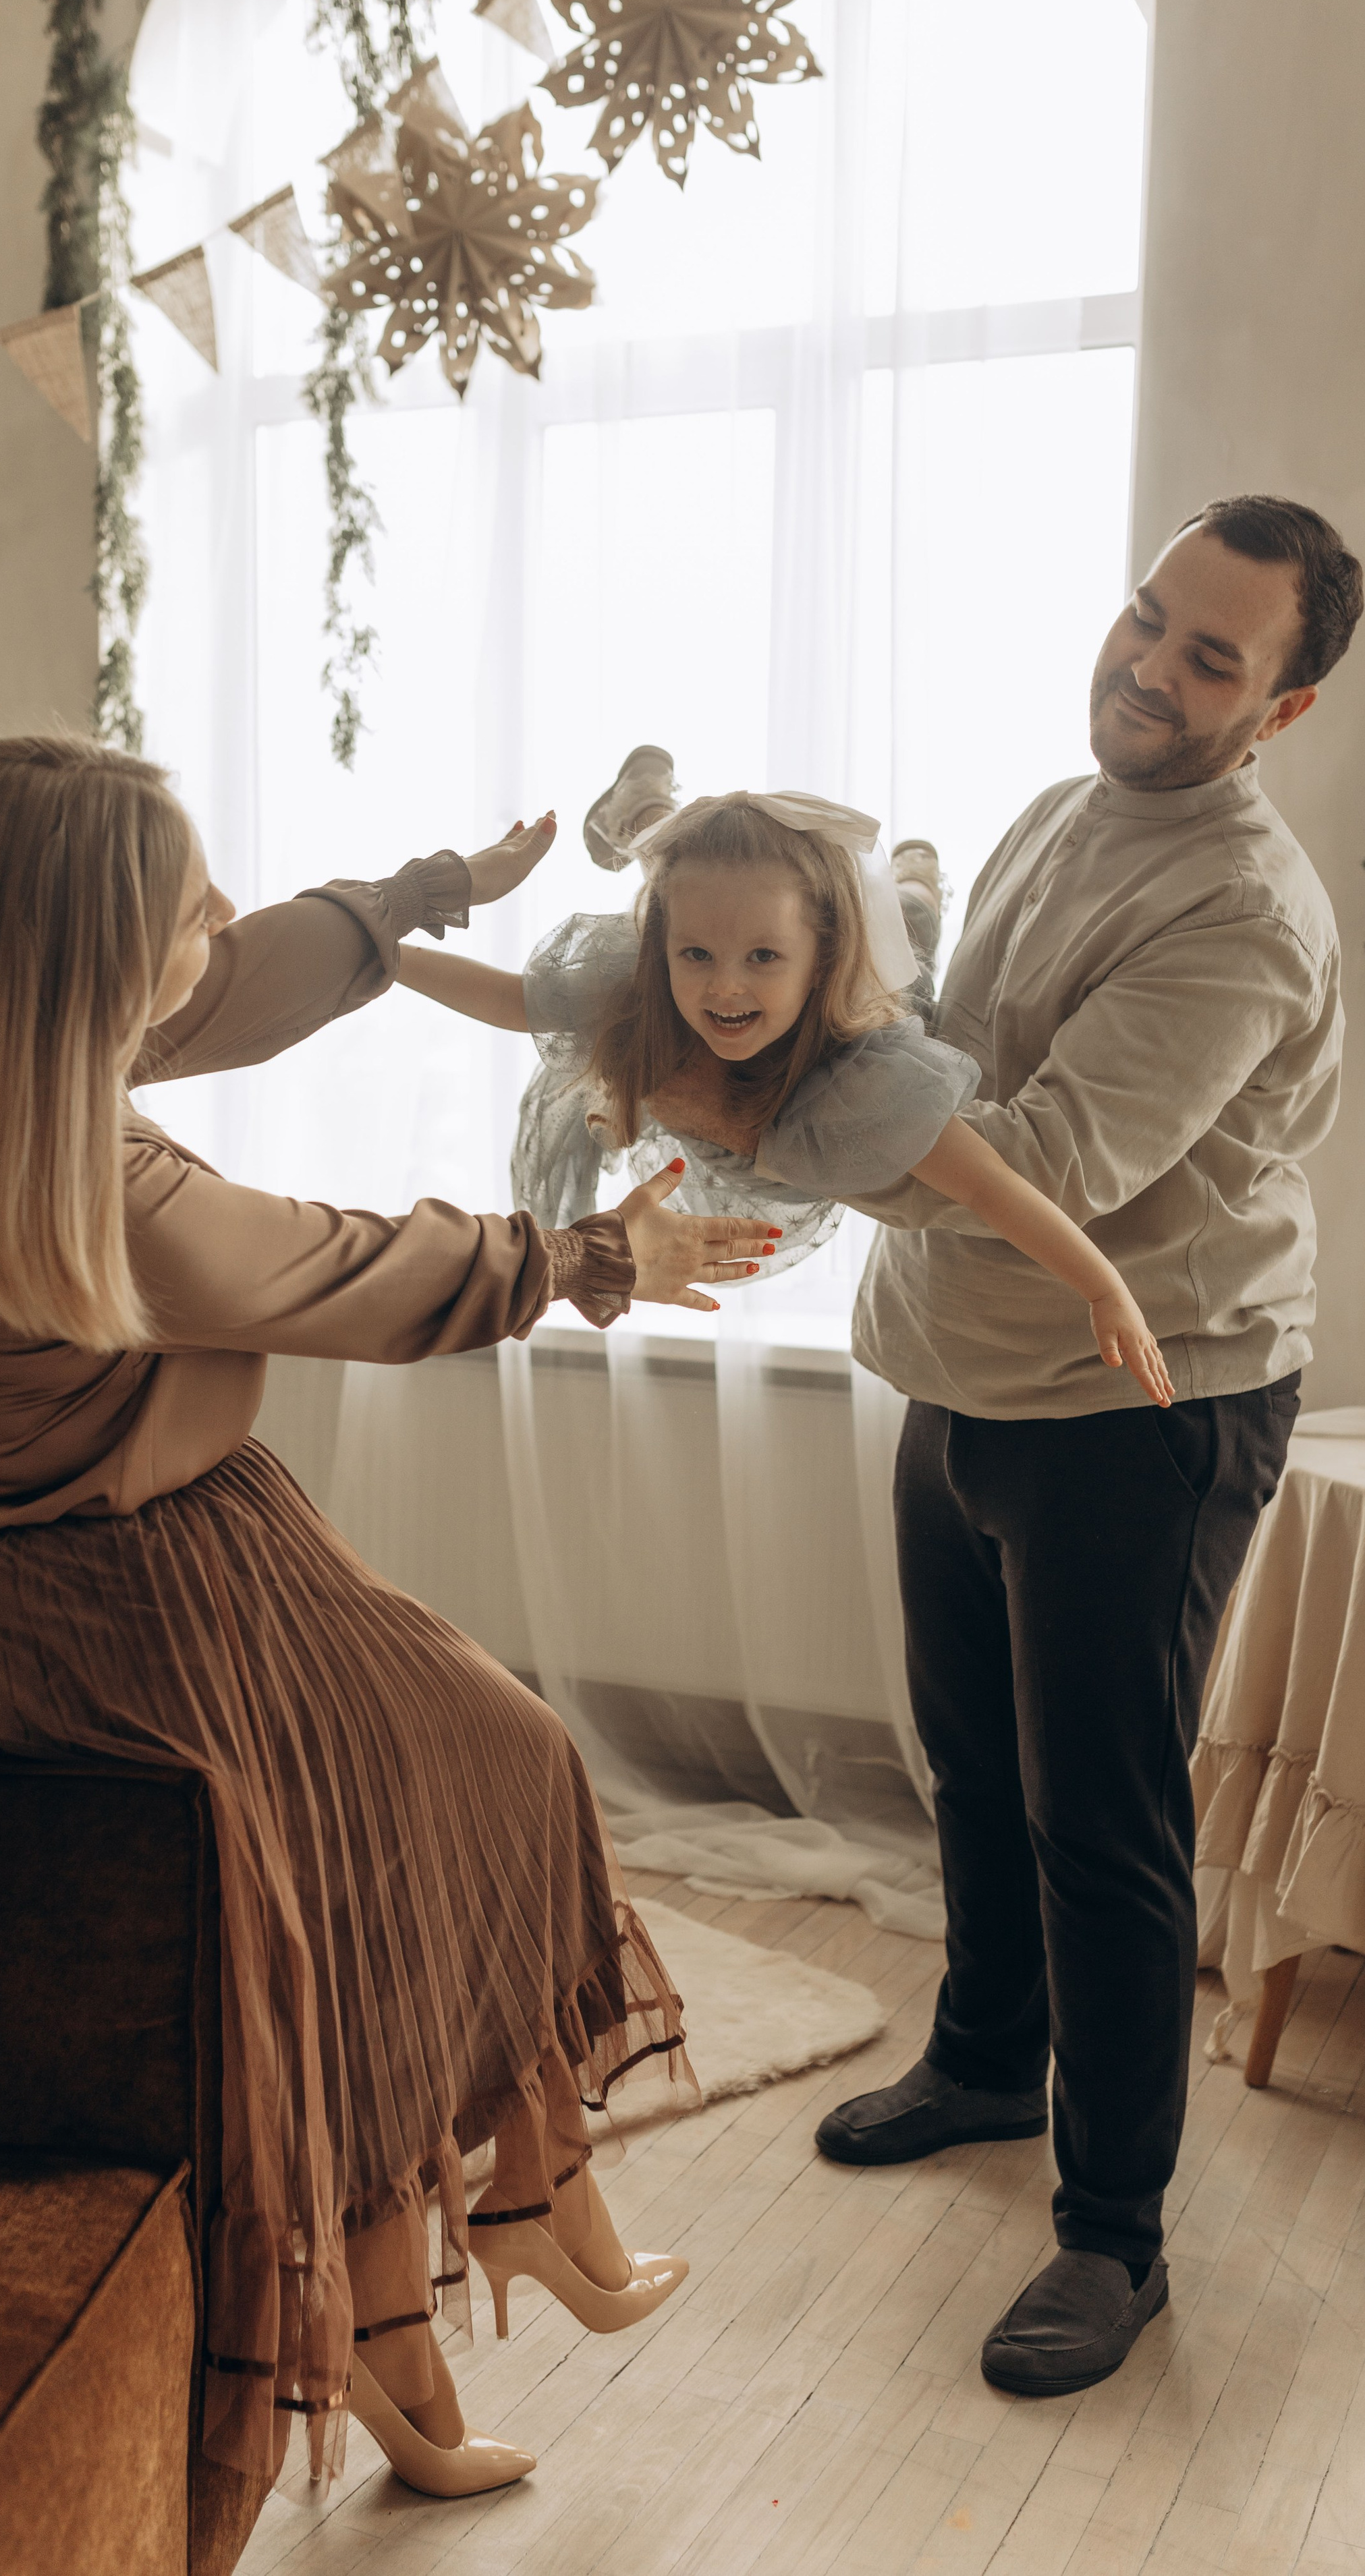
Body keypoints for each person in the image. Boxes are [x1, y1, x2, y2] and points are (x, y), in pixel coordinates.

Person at [0, 735, 781, 2498]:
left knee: (497, 1760)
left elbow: (244, 977)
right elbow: (345, 1268)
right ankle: (391, 2310)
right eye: (175, 905)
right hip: (109, 1599)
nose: (216, 914)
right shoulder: (101, 1187)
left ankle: (516, 2206)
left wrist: (428, 895)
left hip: (147, 1541)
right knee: (364, 1874)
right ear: (81, 964)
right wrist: (596, 1260)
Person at [815, 494, 1360, 2397]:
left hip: (1150, 1400)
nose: (1149, 665)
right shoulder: (1064, 807)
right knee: (973, 1759)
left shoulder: (1246, 910)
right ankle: (982, 2058)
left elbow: (1037, 1167)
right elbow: (945, 1055)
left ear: (1281, 710)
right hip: (967, 1368)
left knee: (1100, 1816)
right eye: (1149, 618)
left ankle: (1114, 2231)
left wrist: (766, 1091)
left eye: (1213, 656)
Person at [395, 772, 1173, 1408]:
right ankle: (648, 811)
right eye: (693, 955)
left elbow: (994, 1190)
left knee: (913, 933)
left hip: (874, 997)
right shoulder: (647, 980)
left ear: (822, 956)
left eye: (765, 958)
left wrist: (1104, 1289)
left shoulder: (863, 1084)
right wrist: (377, 954)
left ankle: (915, 875)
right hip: (713, 946)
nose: (725, 988)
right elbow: (506, 999)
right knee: (697, 889)